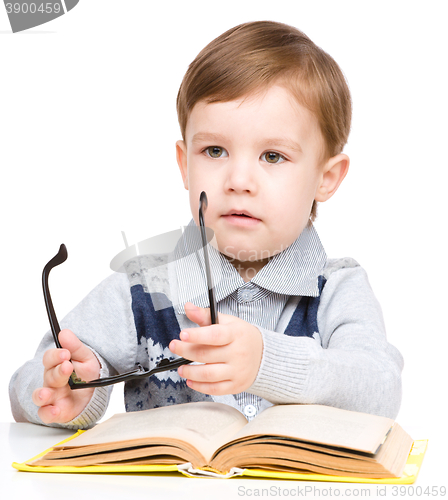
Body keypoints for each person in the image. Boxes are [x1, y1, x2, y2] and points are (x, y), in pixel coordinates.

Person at [9, 21, 403, 429]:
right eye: (214, 151)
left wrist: (269, 361)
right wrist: (68, 390)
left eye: (272, 156)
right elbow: (29, 383)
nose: (238, 181)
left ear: (327, 177)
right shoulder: (144, 289)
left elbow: (380, 388)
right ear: (185, 164)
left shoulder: (338, 289)